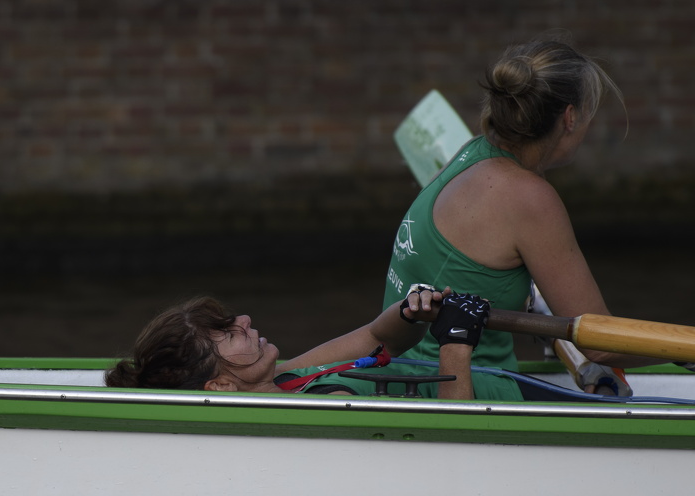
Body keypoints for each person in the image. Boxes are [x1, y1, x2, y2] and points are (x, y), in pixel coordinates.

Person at [383, 37, 666, 376]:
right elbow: (601, 346)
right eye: (589, 112)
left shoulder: (469, 153)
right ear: (570, 117)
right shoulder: (529, 198)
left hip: (392, 371)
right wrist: (679, 349)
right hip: (457, 387)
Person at [105, 287, 519, 401]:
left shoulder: (286, 377)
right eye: (230, 333)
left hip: (507, 386)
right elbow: (455, 443)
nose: (245, 320)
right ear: (220, 385)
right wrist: (456, 340)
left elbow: (377, 337)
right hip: (512, 406)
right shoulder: (326, 406)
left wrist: (410, 309)